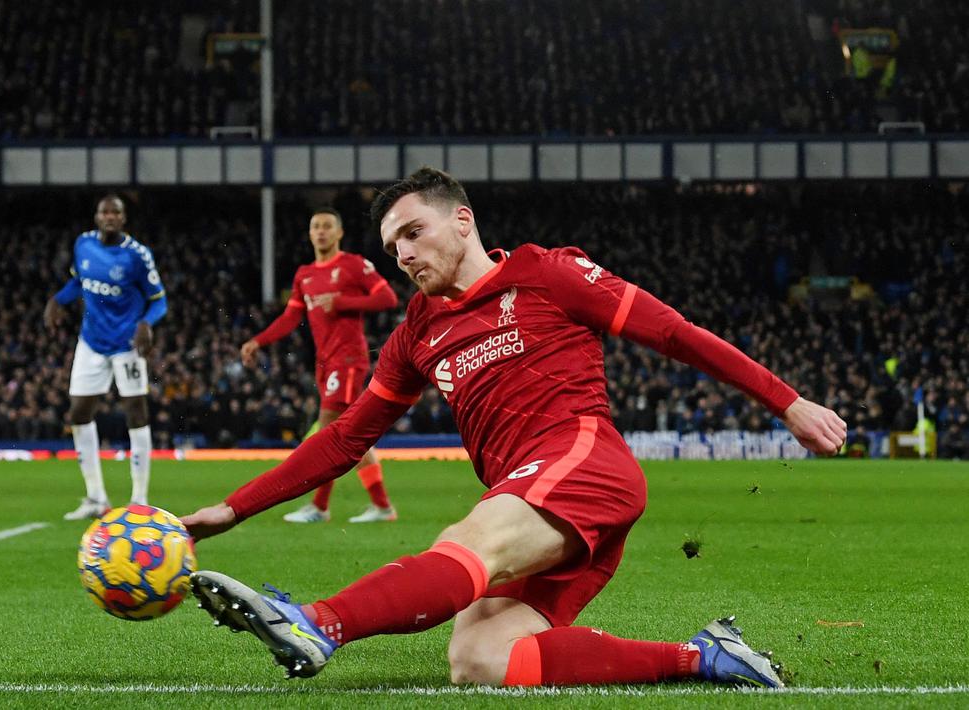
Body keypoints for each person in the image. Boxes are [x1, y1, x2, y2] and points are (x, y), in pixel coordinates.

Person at [182, 168, 847, 687]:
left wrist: (786, 403)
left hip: (583, 464)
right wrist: (231, 510)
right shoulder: (418, 330)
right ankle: (702, 658)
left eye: (413, 232)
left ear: (462, 220)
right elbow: (343, 439)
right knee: (478, 658)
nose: (403, 255)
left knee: (468, 540)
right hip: (535, 498)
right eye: (392, 247)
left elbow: (673, 333)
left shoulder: (546, 273)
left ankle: (318, 624)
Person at [240, 207, 399, 523]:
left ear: (339, 232)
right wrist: (259, 341)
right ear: (310, 233)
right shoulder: (305, 275)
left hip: (349, 359)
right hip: (325, 362)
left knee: (329, 428)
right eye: (316, 227)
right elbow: (290, 318)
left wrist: (343, 302)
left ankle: (320, 506)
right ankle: (381, 506)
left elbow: (388, 298)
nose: (322, 231)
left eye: (328, 226)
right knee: (351, 434)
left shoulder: (353, 265)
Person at [45, 195, 167, 520]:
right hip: (91, 342)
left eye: (116, 212)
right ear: (97, 216)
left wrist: (145, 323)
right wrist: (58, 300)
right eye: (104, 212)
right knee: (79, 413)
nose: (109, 217)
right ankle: (96, 497)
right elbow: (78, 282)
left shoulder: (138, 256)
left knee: (136, 413)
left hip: (126, 344)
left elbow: (159, 301)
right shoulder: (83, 244)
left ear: (124, 219)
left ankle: (139, 499)